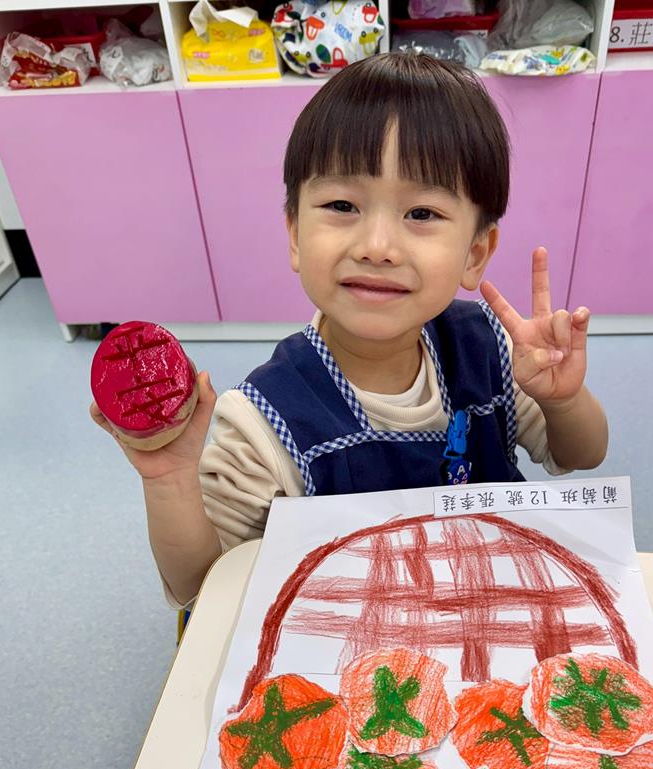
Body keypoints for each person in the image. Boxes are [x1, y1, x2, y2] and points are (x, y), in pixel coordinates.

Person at [91, 53, 608, 608]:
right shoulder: (263, 419)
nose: (376, 247)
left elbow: (582, 454)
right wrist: (169, 479)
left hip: (488, 608)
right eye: (342, 205)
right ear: (295, 235)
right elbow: (200, 585)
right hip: (352, 632)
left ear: (475, 253)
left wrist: (561, 400)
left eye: (421, 214)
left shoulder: (491, 351)